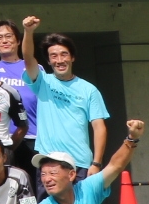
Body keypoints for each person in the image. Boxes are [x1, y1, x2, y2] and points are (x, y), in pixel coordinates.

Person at [20, 19, 110, 172]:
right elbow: (28, 58)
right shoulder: (42, 81)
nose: (59, 60)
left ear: (72, 57)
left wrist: (96, 163)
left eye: (64, 54)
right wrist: (28, 32)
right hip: (48, 163)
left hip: (79, 163)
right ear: (48, 61)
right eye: (54, 56)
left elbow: (99, 127)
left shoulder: (89, 90)